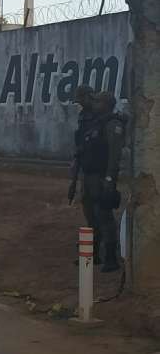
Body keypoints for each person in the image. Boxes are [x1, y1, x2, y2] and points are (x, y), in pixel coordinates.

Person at [77, 91, 126, 273]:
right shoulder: (95, 123)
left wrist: (109, 180)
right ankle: (93, 253)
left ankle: (111, 258)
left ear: (107, 104)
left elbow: (114, 156)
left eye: (98, 101)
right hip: (90, 177)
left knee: (104, 216)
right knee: (91, 215)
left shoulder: (112, 124)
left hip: (101, 177)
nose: (94, 104)